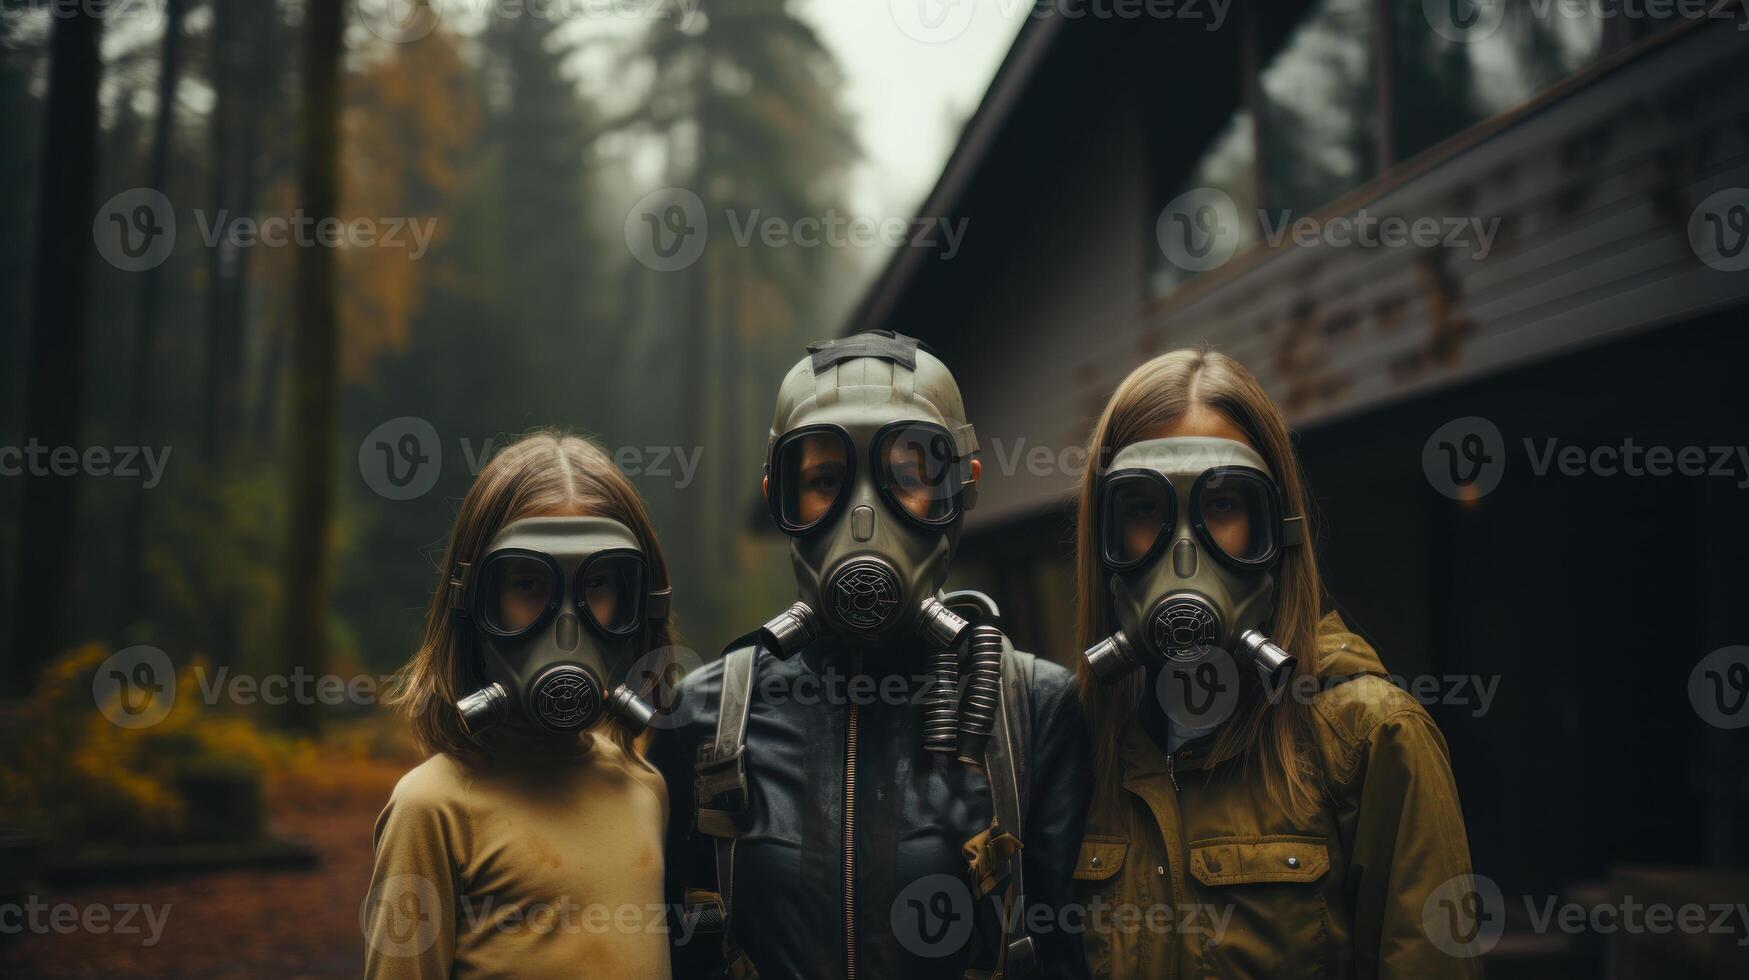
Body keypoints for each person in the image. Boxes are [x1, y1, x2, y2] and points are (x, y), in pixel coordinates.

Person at [651, 331, 1091, 978]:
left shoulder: (1033, 712)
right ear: (780, 499)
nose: (862, 518)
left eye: (905, 476)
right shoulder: (706, 720)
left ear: (959, 490)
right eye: (825, 479)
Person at [1072, 349, 1479, 979]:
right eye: (1145, 509)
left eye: (1223, 505)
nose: (1184, 557)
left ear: (1277, 530)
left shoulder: (1372, 736)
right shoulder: (1085, 742)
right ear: (1106, 540)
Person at [365, 431, 678, 978]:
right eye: (529, 583)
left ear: (639, 604)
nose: (566, 629)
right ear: (473, 604)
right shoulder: (432, 809)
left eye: (600, 582)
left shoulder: (643, 786)